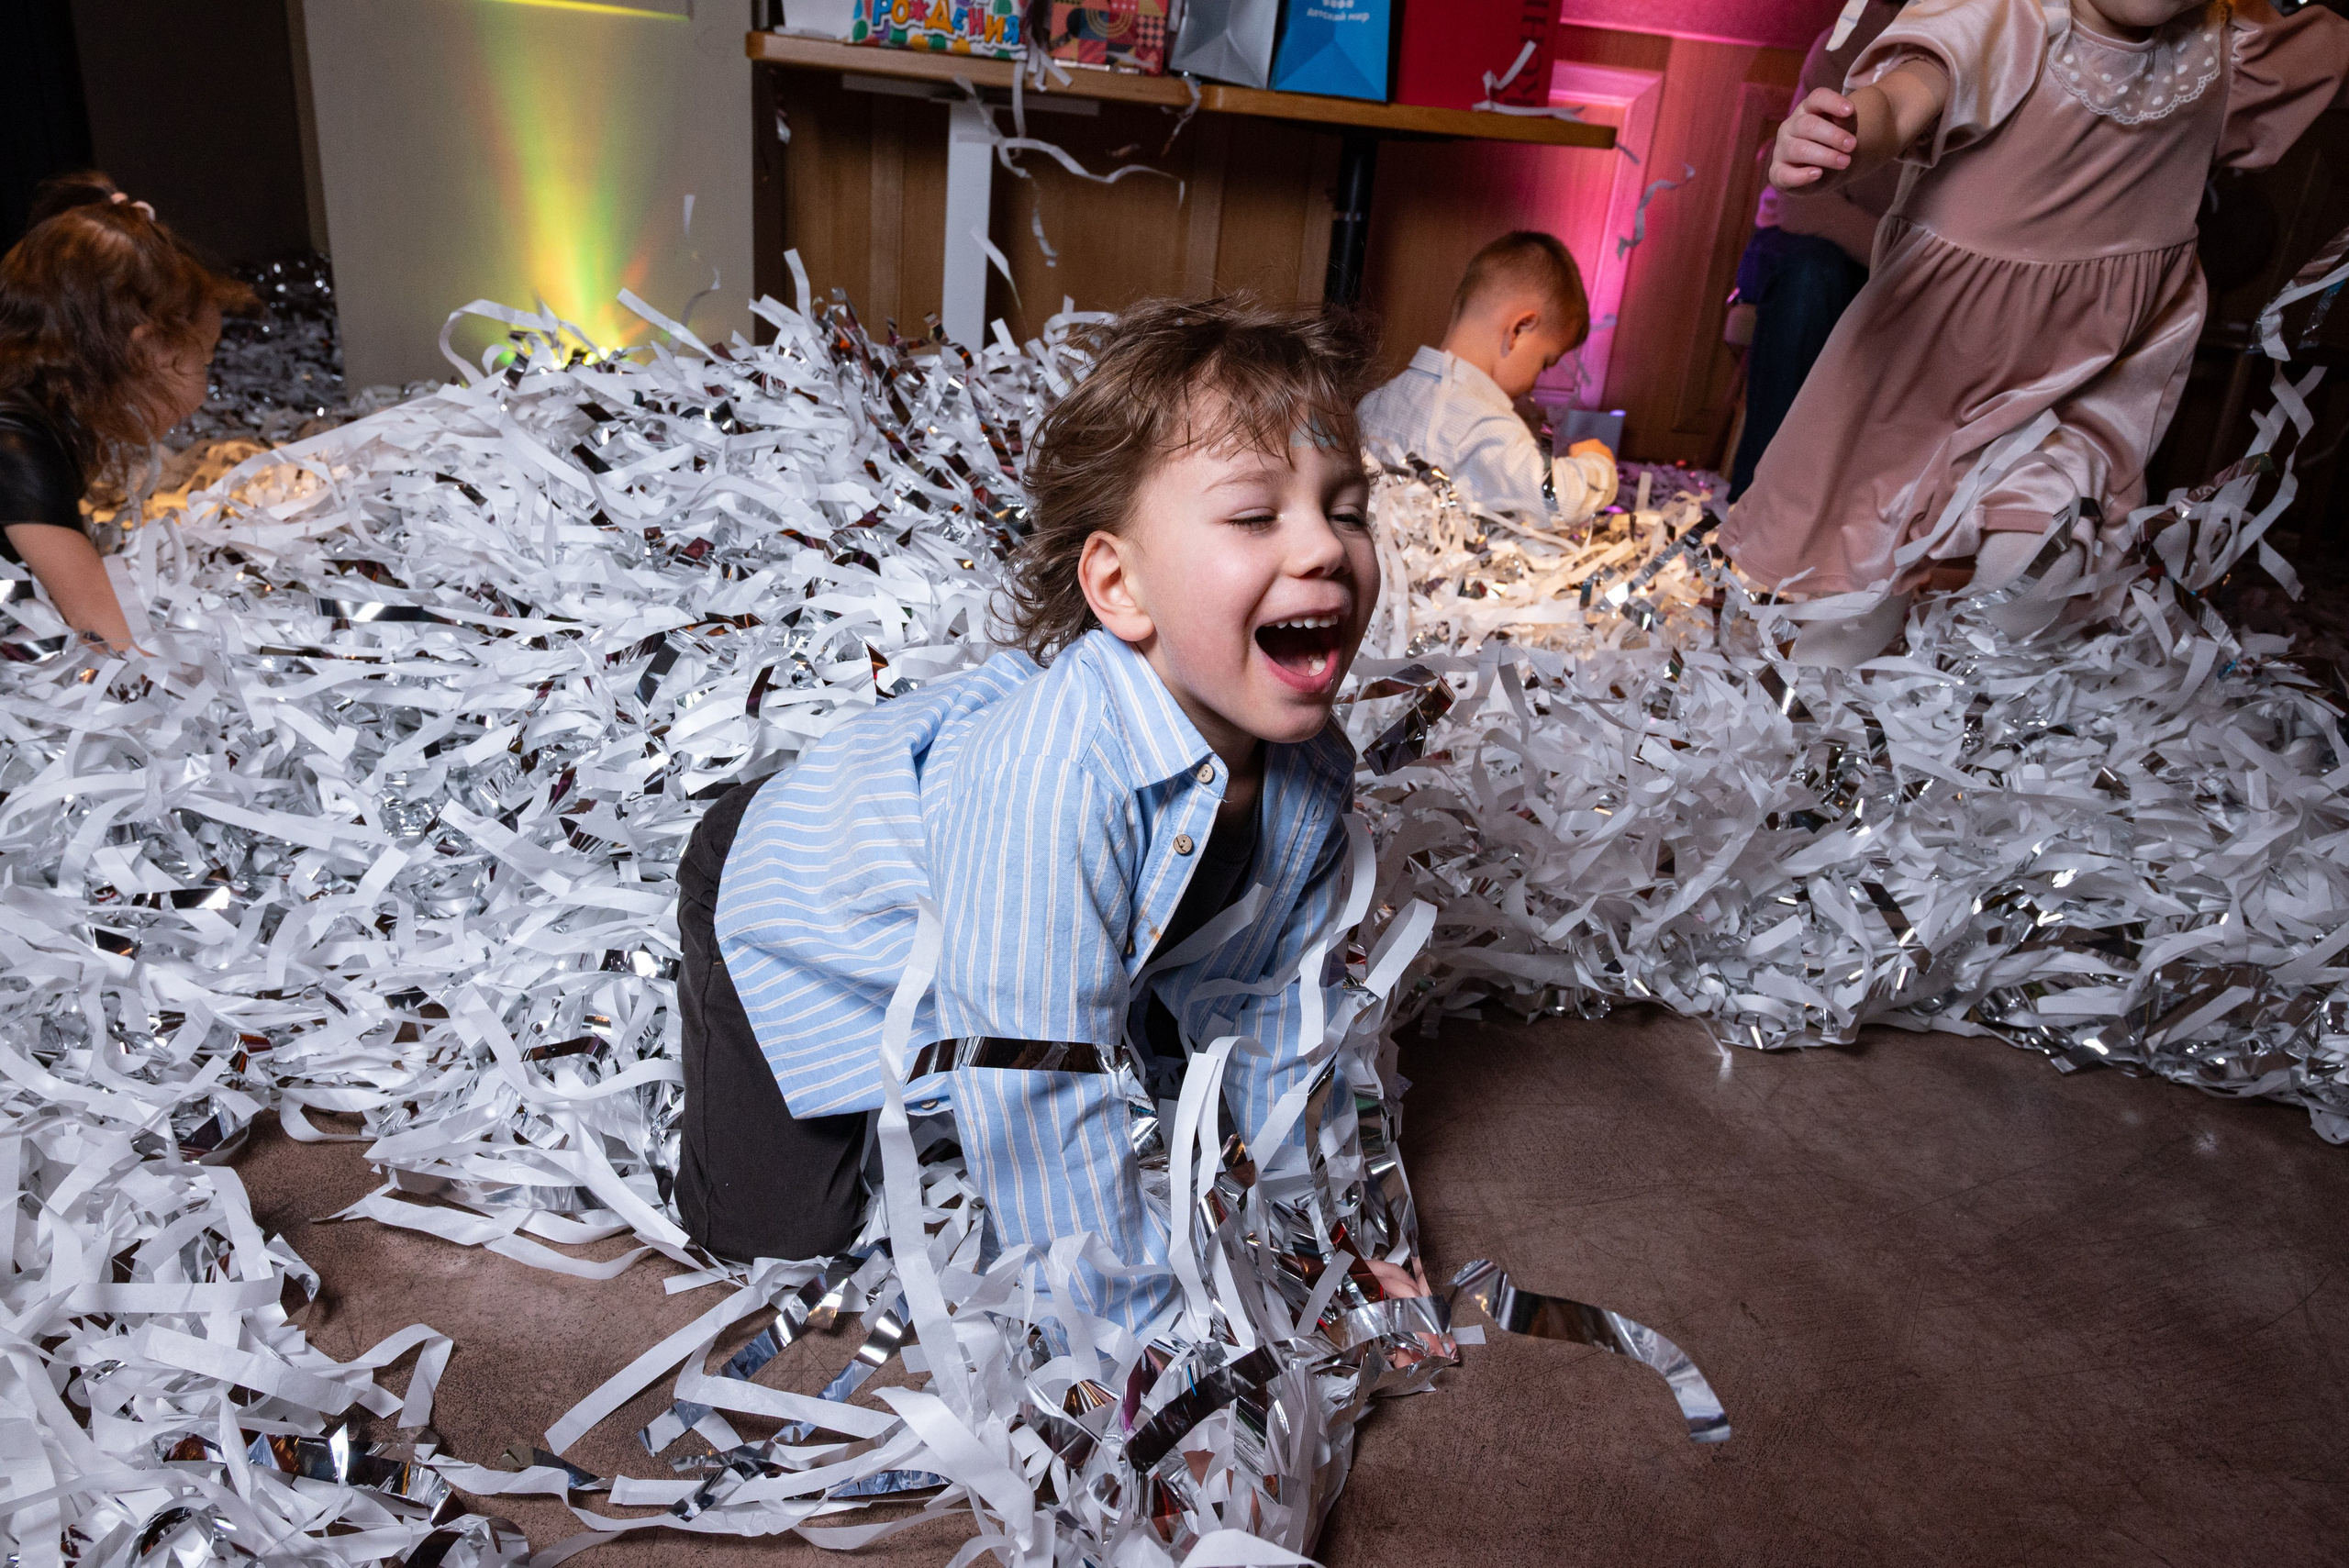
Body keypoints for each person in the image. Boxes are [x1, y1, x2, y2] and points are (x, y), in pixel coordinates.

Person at [677, 295, 1431, 1333]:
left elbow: (1276, 1021)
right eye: (1256, 515)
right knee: (774, 1235)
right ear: (1120, 588)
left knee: (1164, 1089)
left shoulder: (1310, 769)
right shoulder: (1054, 782)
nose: (1324, 549)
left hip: (989, 867)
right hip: (791, 888)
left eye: (1345, 508)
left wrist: (1329, 1246)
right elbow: (1035, 1088)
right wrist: (1133, 1354)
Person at [1720, 0, 2349, 664]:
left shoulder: (2235, 50)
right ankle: (1828, 695)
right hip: (1938, 355)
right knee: (1858, 584)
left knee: (2043, 549)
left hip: (2091, 370)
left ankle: (1982, 690)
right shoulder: (2007, 18)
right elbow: (1902, 101)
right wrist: (1848, 137)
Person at [0, 172, 250, 653]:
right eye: (206, 357)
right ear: (147, 349)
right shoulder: (17, 444)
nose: (207, 382)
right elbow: (103, 628)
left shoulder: (40, 412)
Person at [1727, 0, 1908, 501]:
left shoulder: (1996, 51)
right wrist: (1904, 255)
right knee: (1812, 276)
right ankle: (1757, 515)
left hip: (1907, 274)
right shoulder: (1843, 42)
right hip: (1819, 255)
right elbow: (1804, 209)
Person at [1357, 229, 1618, 526]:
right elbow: (1556, 500)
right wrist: (1597, 464)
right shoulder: (1484, 424)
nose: (1535, 381)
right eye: (1545, 362)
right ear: (1519, 329)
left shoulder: (1373, 402)